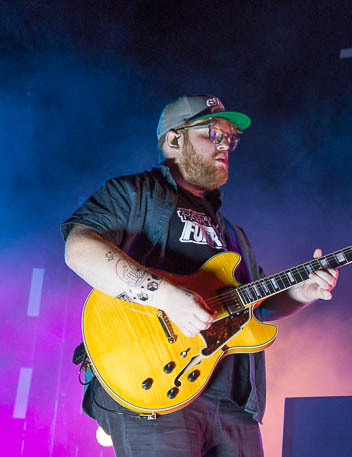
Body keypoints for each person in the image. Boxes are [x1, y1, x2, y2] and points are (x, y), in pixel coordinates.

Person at [61, 94, 338, 457]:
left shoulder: (233, 233)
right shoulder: (135, 193)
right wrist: (166, 296)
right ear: (174, 139)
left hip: (232, 404)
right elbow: (79, 249)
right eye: (214, 134)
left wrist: (302, 293)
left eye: (231, 139)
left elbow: (256, 309)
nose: (225, 145)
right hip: (155, 387)